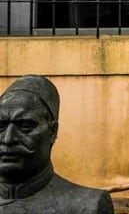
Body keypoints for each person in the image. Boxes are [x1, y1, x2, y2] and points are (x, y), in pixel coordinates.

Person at [0, 75, 114, 213]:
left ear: (53, 131)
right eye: (1, 126)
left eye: (25, 125)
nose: (8, 139)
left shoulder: (89, 205)